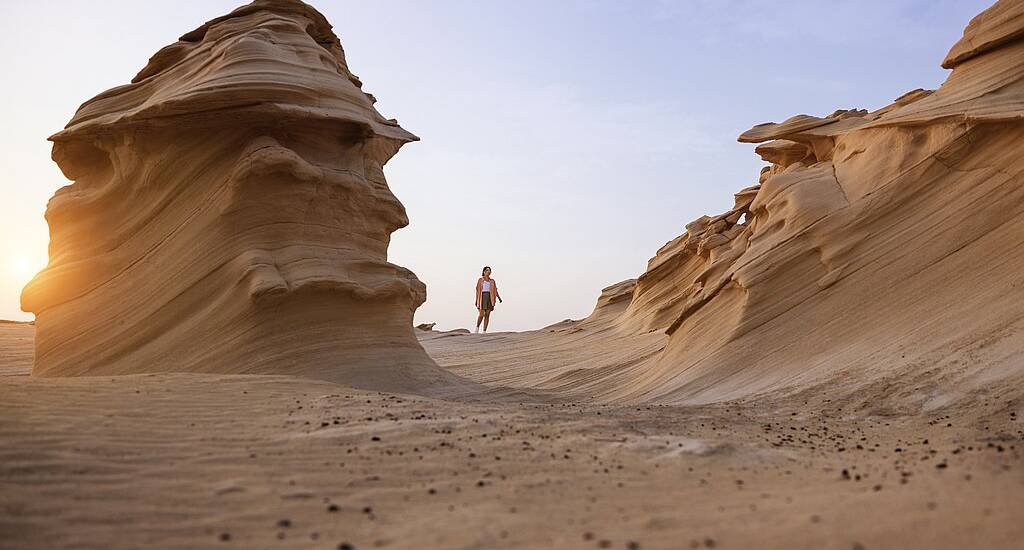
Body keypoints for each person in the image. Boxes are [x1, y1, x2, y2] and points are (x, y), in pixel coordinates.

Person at [475, 266, 501, 333]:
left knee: (487, 314)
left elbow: (495, 290)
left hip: (490, 297)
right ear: (484, 272)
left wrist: (499, 298)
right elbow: (477, 291)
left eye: (489, 270)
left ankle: (484, 331)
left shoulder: (492, 281)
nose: (488, 272)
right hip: (482, 297)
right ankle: (477, 328)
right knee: (481, 314)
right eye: (487, 270)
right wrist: (476, 300)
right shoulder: (480, 280)